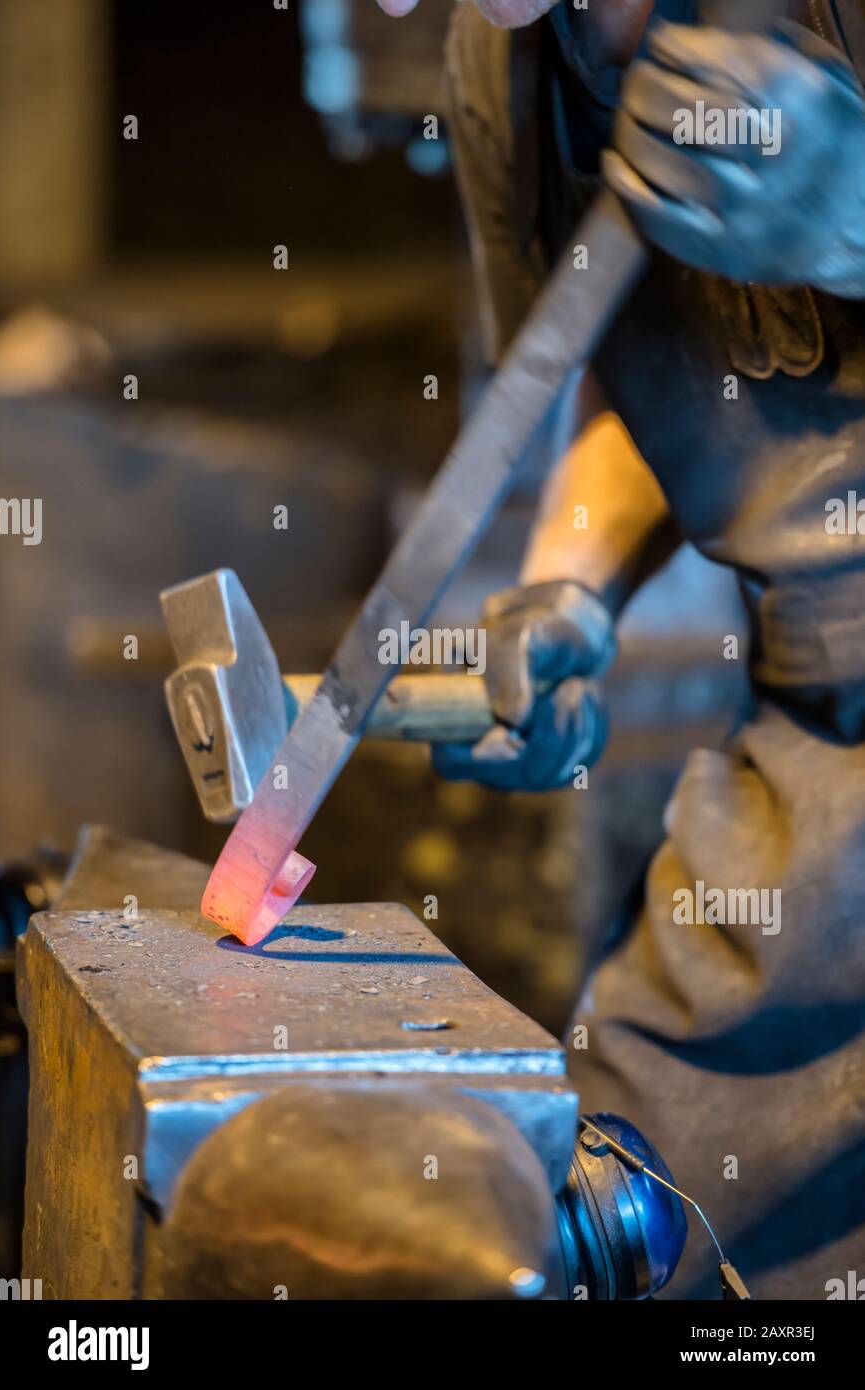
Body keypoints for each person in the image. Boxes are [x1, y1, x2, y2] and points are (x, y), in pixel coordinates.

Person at [376, 0, 865, 1299]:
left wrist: (856, 211)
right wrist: (569, 592)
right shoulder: (507, 63)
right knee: (631, 1215)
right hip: (817, 774)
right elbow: (635, 369)